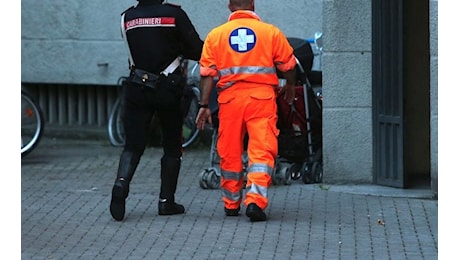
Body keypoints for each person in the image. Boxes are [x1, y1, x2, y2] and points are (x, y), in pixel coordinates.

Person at [195, 0, 297, 222]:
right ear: (253, 5)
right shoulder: (270, 32)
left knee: (229, 150)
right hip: (261, 98)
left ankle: (231, 203)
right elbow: (289, 65)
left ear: (230, 7)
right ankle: (255, 201)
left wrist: (203, 105)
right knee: (262, 149)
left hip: (230, 100)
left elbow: (207, 73)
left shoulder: (216, 35)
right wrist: (290, 86)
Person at [110, 0, 203, 221]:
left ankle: (121, 185)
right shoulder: (173, 14)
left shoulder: (127, 18)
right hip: (167, 89)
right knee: (172, 144)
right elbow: (197, 49)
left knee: (133, 144)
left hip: (136, 86)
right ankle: (166, 202)